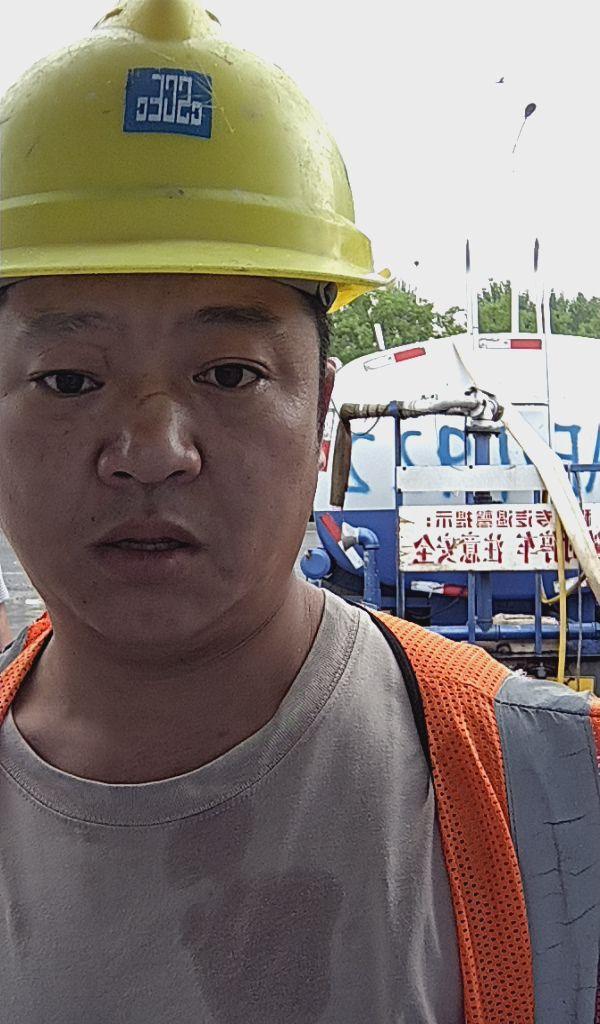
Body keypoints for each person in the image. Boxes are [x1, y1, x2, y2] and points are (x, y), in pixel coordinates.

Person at [0, 3, 599, 1023]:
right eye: (68, 379)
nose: (152, 449)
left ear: (322, 410)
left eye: (230, 372)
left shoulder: (558, 806)